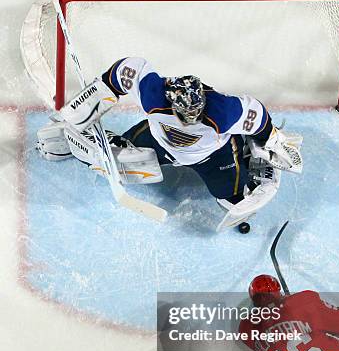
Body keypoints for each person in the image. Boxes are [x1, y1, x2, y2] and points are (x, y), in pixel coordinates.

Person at [36, 57, 303, 227]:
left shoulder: (225, 111)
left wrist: (272, 142)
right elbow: (126, 71)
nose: (189, 118)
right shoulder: (154, 95)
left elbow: (259, 120)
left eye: (195, 113)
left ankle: (247, 153)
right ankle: (79, 141)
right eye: (184, 113)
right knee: (118, 154)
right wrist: (82, 107)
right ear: (171, 101)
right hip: (159, 142)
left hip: (214, 157)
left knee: (230, 196)